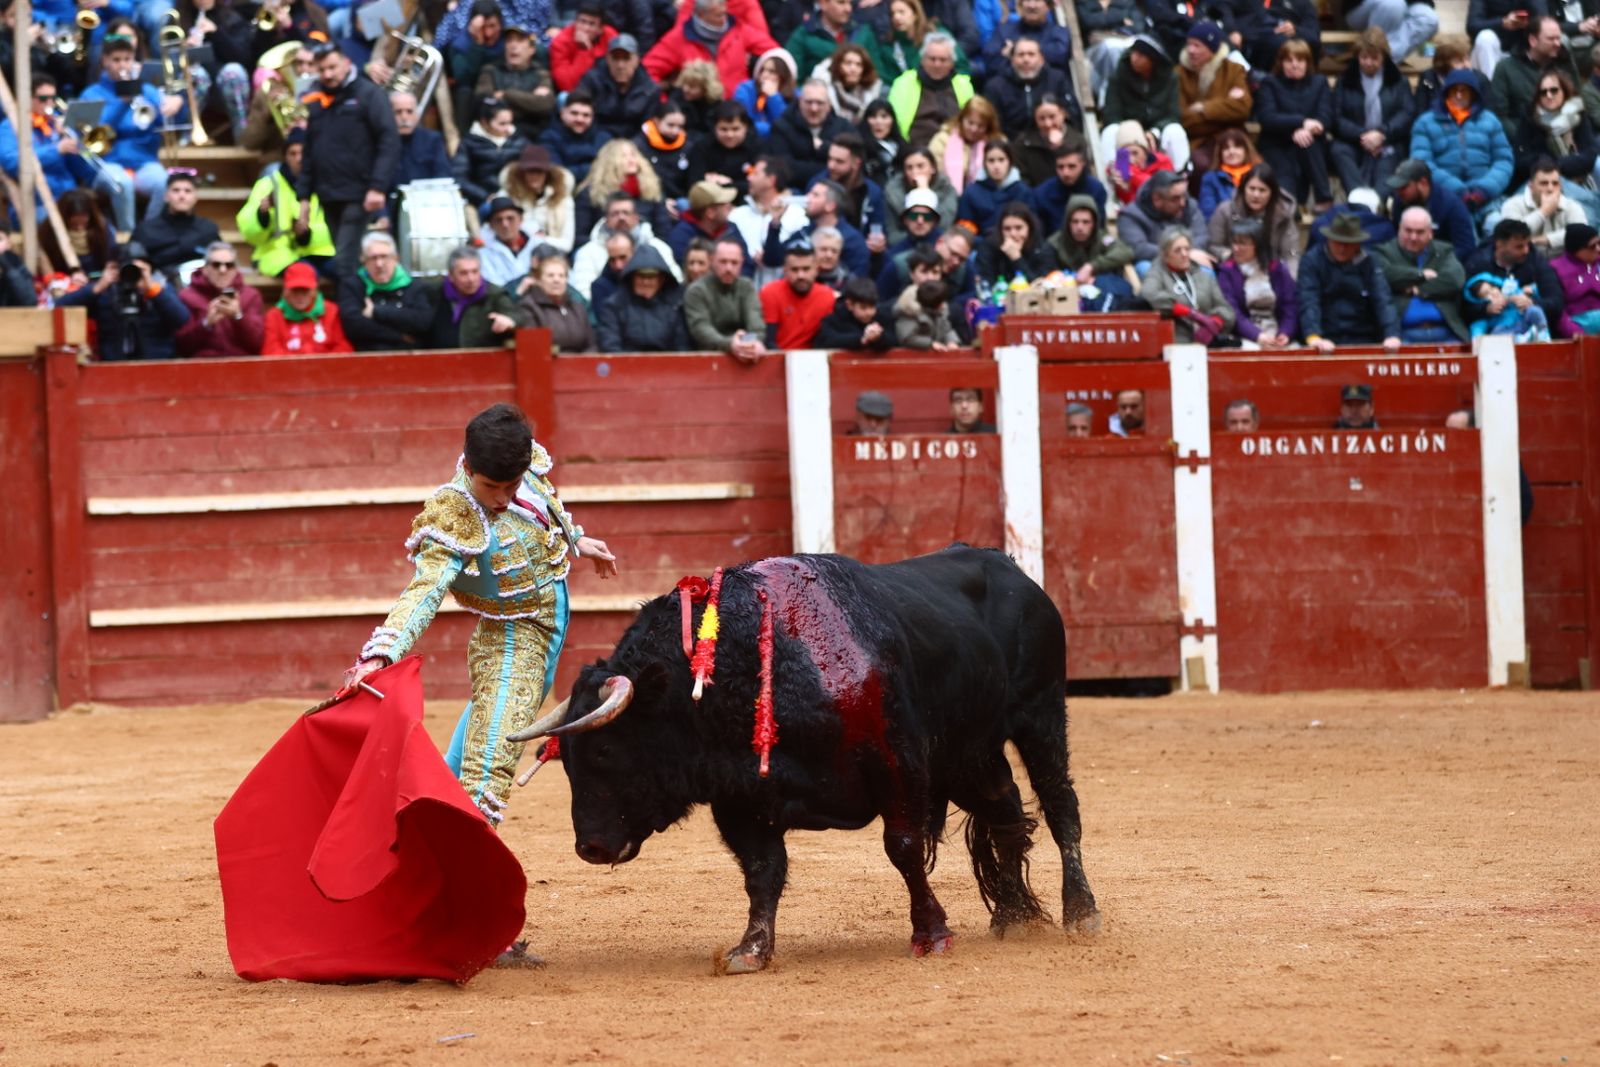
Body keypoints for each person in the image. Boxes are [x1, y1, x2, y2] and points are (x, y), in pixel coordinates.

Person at [345, 403, 616, 833]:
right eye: (493, 486)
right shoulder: (455, 512)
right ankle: (452, 866)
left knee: (475, 742)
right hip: (511, 643)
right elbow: (426, 589)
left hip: (546, 634)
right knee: (488, 768)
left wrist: (578, 539)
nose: (504, 497)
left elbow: (541, 507)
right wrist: (382, 654)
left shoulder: (516, 467)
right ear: (469, 466)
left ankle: (420, 820)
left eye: (512, 484)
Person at [298, 43, 401, 278]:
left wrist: (377, 187)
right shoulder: (316, 98)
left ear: (346, 64)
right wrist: (304, 196)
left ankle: (352, 313)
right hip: (328, 193)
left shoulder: (369, 94)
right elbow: (310, 150)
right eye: (322, 69)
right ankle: (362, 306)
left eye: (332, 67)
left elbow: (389, 141)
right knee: (348, 261)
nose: (328, 74)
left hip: (360, 193)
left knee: (344, 262)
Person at [81, 36, 187, 232]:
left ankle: (148, 232)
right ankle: (127, 236)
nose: (123, 65)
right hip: (108, 164)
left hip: (143, 162)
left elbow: (167, 122)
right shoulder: (91, 93)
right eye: (117, 60)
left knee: (164, 183)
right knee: (122, 184)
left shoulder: (146, 90)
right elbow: (96, 135)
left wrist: (178, 105)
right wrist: (123, 102)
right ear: (105, 61)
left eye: (127, 59)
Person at [55, 241, 190, 361]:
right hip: (113, 366)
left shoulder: (159, 288)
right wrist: (97, 287)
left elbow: (181, 319)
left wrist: (152, 289)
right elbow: (61, 307)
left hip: (157, 364)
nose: (131, 274)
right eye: (126, 268)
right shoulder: (106, 292)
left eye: (138, 269)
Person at [1330, 27, 1417, 200]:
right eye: (1364, 57)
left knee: (1387, 166)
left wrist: (1382, 134)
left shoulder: (1398, 81)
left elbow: (1407, 113)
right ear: (1357, 57)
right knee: (1338, 150)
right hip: (1355, 141)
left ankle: (1377, 200)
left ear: (1383, 57)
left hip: (1388, 140)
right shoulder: (1345, 80)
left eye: (1374, 58)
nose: (1368, 62)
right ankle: (1358, 196)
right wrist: (1362, 136)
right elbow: (1336, 117)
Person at [1410, 70, 1515, 212]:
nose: (1458, 95)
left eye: (1464, 91)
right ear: (1446, 92)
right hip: (1444, 200)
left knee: (1496, 226)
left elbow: (1504, 160)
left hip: (1487, 198)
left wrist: (1483, 190)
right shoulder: (1425, 122)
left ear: (1473, 94)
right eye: (1454, 90)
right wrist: (1457, 191)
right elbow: (1422, 164)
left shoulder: (1490, 121)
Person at [237, 129, 336, 279]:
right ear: (285, 157)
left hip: (315, 251)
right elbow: (247, 230)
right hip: (276, 254)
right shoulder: (268, 184)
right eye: (293, 153)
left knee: (348, 272)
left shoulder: (325, 185)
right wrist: (262, 216)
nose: (299, 158)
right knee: (304, 273)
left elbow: (334, 227)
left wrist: (306, 235)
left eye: (303, 153)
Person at [1297, 213, 1402, 351]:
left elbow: (1382, 299)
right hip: (1325, 336)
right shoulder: (1311, 261)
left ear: (1357, 243)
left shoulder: (1369, 261)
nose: (1341, 249)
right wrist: (1313, 336)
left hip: (1364, 336)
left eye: (1347, 244)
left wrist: (1392, 334)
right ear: (1328, 239)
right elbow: (1309, 299)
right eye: (1337, 242)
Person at [1252, 38, 1333, 212]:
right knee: (1286, 172)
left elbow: (1326, 117)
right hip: (1276, 143)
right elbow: (1267, 117)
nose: (1294, 65)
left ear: (1308, 62)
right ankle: (1290, 206)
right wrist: (1301, 123)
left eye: (1300, 60)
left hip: (1310, 144)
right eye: (1289, 60)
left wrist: (1308, 129)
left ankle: (1324, 198)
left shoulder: (1319, 83)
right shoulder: (1270, 83)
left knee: (1310, 143)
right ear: (1281, 63)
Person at [0, 75, 95, 219]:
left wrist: (73, 138)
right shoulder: (9, 126)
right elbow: (11, 163)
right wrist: (56, 149)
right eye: (43, 99)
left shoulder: (55, 123)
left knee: (104, 228)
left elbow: (84, 171)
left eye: (53, 98)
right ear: (27, 98)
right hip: (34, 203)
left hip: (67, 198)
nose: (50, 103)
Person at [1373, 206, 1471, 343]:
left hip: (1447, 332)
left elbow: (1455, 279)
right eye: (1408, 231)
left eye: (1420, 232)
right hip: (1402, 334)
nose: (1413, 237)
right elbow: (1385, 275)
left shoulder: (1443, 251)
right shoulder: (1384, 252)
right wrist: (1421, 275)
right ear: (1399, 228)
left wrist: (1418, 289)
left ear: (1430, 232)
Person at [1513, 71, 1600, 224]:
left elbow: (1590, 154)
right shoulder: (1530, 118)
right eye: (1543, 92)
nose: (1549, 95)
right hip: (1542, 182)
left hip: (1577, 177)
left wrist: (1558, 165)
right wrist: (1545, 164)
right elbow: (1521, 158)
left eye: (1554, 90)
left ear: (1564, 91)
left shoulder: (1578, 115)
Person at [1099, 35, 1190, 176]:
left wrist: (1155, 132)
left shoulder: (1170, 78)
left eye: (1141, 55)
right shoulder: (1119, 76)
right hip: (1128, 132)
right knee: (1110, 132)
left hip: (1157, 133)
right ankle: (1118, 180)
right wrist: (1135, 134)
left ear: (1153, 60)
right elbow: (1111, 114)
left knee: (1175, 131)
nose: (1134, 58)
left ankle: (1178, 178)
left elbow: (1173, 114)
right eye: (1133, 53)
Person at [1462, 216, 1567, 332]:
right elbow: (1462, 308)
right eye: (1519, 247)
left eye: (1527, 244)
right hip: (1493, 332)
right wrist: (1486, 309)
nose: (1526, 250)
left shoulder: (1536, 261)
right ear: (1499, 244)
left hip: (1531, 330)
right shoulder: (1477, 264)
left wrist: (1533, 303)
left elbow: (1556, 301)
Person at [644, 0, 772, 95]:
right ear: (701, 15)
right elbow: (646, 73)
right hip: (696, 115)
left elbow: (775, 54)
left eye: (725, 13)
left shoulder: (740, 30)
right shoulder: (678, 39)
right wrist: (665, 103)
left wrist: (761, 78)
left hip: (739, 111)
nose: (724, 19)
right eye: (718, 15)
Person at [338, 231, 437, 351]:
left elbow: (422, 322)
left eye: (384, 256)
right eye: (373, 258)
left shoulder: (414, 286)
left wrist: (376, 311)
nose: (379, 264)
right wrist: (398, 336)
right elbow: (353, 326)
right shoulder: (352, 286)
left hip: (408, 357)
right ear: (363, 261)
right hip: (368, 358)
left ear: (396, 258)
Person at [1176, 21, 1251, 178]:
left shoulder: (1233, 70)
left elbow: (1243, 108)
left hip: (1231, 138)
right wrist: (1225, 110)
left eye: (1197, 46)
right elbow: (1182, 118)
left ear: (1212, 49)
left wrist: (1204, 108)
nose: (1191, 50)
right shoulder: (1179, 74)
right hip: (1197, 141)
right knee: (1200, 165)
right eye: (1188, 45)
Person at [1490, 15, 1579, 148]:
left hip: (1566, 141)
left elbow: (1577, 102)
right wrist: (1525, 139)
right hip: (1525, 145)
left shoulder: (1564, 63)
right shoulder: (1505, 68)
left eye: (1558, 38)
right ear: (1533, 40)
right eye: (1551, 39)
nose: (1557, 43)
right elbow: (1499, 116)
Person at [1207, 162, 1303, 277]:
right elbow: (1213, 246)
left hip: (1271, 274)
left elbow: (1291, 255)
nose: (1256, 195)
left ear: (1272, 193)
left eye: (1262, 190)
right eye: (1252, 188)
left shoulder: (1283, 216)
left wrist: (1289, 280)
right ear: (1243, 189)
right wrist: (1232, 256)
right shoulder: (1225, 211)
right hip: (1233, 272)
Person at [1143, 228, 1237, 344]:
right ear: (1165, 255)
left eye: (1187, 249)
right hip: (1174, 341)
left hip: (1207, 342)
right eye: (1177, 250)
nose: (1184, 254)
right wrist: (1189, 312)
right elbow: (1150, 295)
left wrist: (1215, 323)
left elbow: (1227, 310)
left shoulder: (1204, 276)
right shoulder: (1157, 273)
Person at [426, 245, 531, 348]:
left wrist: (510, 320)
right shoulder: (435, 293)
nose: (471, 279)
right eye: (463, 273)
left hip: (483, 361)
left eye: (475, 272)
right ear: (451, 276)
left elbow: (518, 315)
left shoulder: (494, 294)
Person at [176, 242, 267, 358]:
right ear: (205, 269)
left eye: (229, 265)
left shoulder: (251, 296)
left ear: (236, 269)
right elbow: (181, 346)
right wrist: (206, 324)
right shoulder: (187, 296)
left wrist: (238, 317)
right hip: (203, 368)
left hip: (242, 367)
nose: (223, 270)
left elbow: (258, 343)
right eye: (216, 265)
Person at [764, 178, 872, 277]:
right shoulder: (805, 232)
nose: (808, 198)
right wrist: (775, 222)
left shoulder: (852, 240)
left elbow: (858, 277)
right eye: (810, 193)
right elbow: (773, 259)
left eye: (815, 195)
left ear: (830, 206)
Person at [729, 155, 810, 285]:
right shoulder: (737, 214)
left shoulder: (797, 216)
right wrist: (749, 259)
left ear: (771, 180)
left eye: (755, 173)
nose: (749, 178)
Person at [683, 235, 767, 359]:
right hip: (707, 357)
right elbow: (701, 328)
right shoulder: (696, 291)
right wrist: (730, 344)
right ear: (712, 261)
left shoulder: (746, 286)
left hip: (745, 352)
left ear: (742, 263)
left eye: (734, 263)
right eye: (723, 262)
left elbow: (756, 324)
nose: (729, 268)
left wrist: (746, 343)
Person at [133, 172, 222, 288]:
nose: (182, 195)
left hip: (200, 288)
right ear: (166, 196)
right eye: (176, 190)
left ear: (196, 197)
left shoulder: (208, 229)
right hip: (157, 291)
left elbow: (222, 261)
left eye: (187, 191)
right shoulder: (145, 230)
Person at [1216, 219, 1297, 346]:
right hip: (1244, 337)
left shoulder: (1277, 269)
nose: (1236, 248)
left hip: (1278, 335)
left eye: (1242, 243)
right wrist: (1257, 335)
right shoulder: (1227, 272)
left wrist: (1285, 333)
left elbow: (1290, 306)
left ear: (1258, 245)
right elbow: (1232, 311)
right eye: (1234, 242)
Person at [596, 244, 691, 351]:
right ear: (631, 278)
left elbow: (682, 346)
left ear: (661, 279)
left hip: (668, 366)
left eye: (651, 277)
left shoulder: (675, 306)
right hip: (625, 365)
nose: (645, 282)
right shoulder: (613, 307)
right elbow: (610, 345)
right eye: (641, 276)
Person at [888, 32, 974, 145]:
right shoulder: (903, 83)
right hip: (915, 149)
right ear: (922, 60)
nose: (937, 64)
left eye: (943, 60)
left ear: (952, 63)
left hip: (956, 150)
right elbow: (894, 124)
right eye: (932, 59)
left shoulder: (963, 85)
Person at [475, 22, 557, 140]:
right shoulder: (491, 70)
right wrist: (528, 103)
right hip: (495, 134)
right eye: (509, 41)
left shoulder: (541, 73)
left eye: (520, 40)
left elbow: (545, 105)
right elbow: (484, 102)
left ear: (532, 49)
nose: (513, 45)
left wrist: (506, 95)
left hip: (532, 135)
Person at [1118, 169, 1209, 275]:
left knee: (1206, 270)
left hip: (1189, 259)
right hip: (1156, 262)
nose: (1183, 203)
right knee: (1144, 267)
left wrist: (1185, 253)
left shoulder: (1189, 206)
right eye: (1175, 199)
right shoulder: (1132, 215)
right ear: (1157, 199)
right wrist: (1179, 253)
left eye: (1184, 195)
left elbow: (1201, 235)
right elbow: (1137, 248)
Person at [984, 35, 1076, 140]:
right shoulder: (995, 86)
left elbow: (1072, 115)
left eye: (1031, 54)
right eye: (1020, 55)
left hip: (1052, 141)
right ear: (1012, 60)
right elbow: (992, 124)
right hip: (1012, 145)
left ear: (1041, 59)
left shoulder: (1057, 79)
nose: (1026, 59)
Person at [1047, 195, 1135, 300]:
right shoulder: (1055, 243)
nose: (1080, 227)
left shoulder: (1102, 238)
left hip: (1099, 293)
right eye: (1075, 221)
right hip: (1063, 295)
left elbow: (1125, 252)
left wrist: (1091, 266)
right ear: (1068, 223)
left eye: (1086, 222)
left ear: (1093, 224)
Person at [811, 132, 890, 245]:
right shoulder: (817, 185)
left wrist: (879, 242)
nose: (831, 166)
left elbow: (879, 228)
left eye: (839, 161)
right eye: (830, 159)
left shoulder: (872, 193)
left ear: (856, 163)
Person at [1387, 159, 1477, 258]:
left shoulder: (1452, 206)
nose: (1398, 192)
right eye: (1397, 187)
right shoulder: (1400, 200)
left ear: (1423, 183)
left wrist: (1437, 264)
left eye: (1404, 187)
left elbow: (1465, 248)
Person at [456, 99, 535, 212]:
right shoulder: (469, 143)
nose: (508, 128)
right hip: (486, 201)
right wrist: (484, 196)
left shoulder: (520, 140)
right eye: (502, 124)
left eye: (510, 122)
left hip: (519, 196)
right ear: (484, 122)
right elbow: (460, 177)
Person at [497, 144, 577, 254]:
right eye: (529, 171)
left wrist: (540, 239)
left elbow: (567, 244)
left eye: (539, 171)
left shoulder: (563, 200)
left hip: (551, 257)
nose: (534, 176)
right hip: (511, 253)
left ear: (547, 173)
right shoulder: (507, 196)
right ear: (522, 172)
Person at [263, 260, 354, 356]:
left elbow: (343, 347)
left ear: (314, 291)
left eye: (305, 291)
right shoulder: (274, 316)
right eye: (295, 290)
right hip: (289, 370)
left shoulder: (331, 311)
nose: (300, 296)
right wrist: (303, 361)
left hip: (325, 369)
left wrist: (319, 363)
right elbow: (271, 352)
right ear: (285, 291)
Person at [579, 33, 660, 138]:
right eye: (615, 58)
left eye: (626, 59)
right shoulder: (591, 80)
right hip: (596, 139)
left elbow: (648, 128)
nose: (620, 65)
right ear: (607, 59)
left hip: (634, 145)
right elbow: (581, 113)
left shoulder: (650, 89)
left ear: (636, 60)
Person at [1501, 156, 1589, 253]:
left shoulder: (1572, 206)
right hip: (1525, 263)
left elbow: (1581, 235)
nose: (1550, 189)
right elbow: (1513, 234)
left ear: (1560, 186)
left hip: (1562, 264)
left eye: (1555, 183)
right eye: (1544, 183)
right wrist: (1543, 212)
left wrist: (1542, 240)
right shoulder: (1513, 204)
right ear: (1531, 186)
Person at [771, 78, 853, 176]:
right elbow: (783, 167)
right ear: (800, 102)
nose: (814, 108)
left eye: (820, 103)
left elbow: (852, 163)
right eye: (809, 102)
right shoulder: (782, 126)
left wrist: (825, 148)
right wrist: (830, 168)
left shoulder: (843, 127)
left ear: (829, 105)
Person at [518, 251, 597, 352]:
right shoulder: (528, 307)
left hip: (581, 364)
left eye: (561, 276)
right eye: (550, 275)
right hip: (547, 365)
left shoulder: (577, 307)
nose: (557, 280)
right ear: (538, 280)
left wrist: (582, 364)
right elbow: (534, 349)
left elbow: (591, 344)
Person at [761, 243, 837, 348]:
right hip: (779, 357)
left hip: (814, 358)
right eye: (794, 269)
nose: (800, 275)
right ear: (785, 270)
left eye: (806, 269)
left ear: (816, 269)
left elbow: (828, 338)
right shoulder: (770, 292)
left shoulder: (827, 296)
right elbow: (769, 341)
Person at [1029, 137, 1110, 234]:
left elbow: (1100, 229)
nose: (1065, 173)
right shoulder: (1042, 194)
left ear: (1082, 164)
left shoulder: (1096, 190)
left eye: (1071, 166)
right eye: (1060, 167)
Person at [884, 147, 960, 242]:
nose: (915, 172)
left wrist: (924, 192)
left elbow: (943, 224)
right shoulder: (893, 191)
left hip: (938, 243)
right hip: (904, 244)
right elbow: (892, 232)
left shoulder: (946, 188)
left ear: (932, 168)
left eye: (920, 166)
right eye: (909, 168)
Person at [686, 100, 761, 196]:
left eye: (735, 129)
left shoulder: (756, 147)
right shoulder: (702, 147)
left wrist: (727, 184)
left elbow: (759, 185)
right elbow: (694, 184)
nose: (730, 135)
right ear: (715, 128)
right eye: (723, 129)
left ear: (745, 127)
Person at [973, 202, 1056, 288]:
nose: (1013, 234)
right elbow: (986, 283)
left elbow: (1040, 286)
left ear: (1029, 228)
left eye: (1018, 228)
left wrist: (1017, 259)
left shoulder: (1042, 249)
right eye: (1007, 229)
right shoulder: (989, 246)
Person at [956, 141, 1030, 235]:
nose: (996, 166)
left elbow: (1031, 226)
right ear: (984, 163)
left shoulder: (1023, 191)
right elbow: (965, 228)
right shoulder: (971, 192)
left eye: (1001, 160)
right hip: (980, 245)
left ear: (1010, 162)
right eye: (991, 160)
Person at [633, 98, 694, 201]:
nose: (675, 131)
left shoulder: (688, 147)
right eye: (670, 125)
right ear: (657, 121)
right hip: (650, 200)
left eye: (680, 127)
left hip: (681, 201)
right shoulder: (638, 146)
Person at [550, 0, 617, 91]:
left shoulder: (610, 36)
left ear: (600, 29)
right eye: (582, 22)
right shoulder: (560, 42)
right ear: (575, 22)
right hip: (576, 94)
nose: (585, 28)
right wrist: (584, 51)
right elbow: (567, 86)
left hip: (606, 90)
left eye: (591, 24)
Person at [1104, 121, 1175, 206]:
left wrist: (1133, 175)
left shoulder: (1163, 162)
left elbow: (1160, 192)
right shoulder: (1117, 170)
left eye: (1135, 153)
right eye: (1126, 155)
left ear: (1145, 151)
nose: (1131, 159)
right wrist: (1125, 189)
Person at [733, 48, 798, 139]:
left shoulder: (796, 95)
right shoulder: (746, 89)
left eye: (772, 71)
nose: (764, 75)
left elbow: (788, 126)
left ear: (784, 76)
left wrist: (774, 97)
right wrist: (771, 129)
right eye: (762, 70)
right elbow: (744, 124)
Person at [814, 275, 894, 349]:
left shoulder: (883, 317)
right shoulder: (834, 321)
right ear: (849, 305)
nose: (869, 312)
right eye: (863, 308)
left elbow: (894, 339)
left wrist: (879, 337)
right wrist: (861, 339)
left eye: (872, 307)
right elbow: (826, 341)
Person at [1197, 128, 1261, 220]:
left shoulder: (1260, 174)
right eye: (1226, 148)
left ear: (1246, 150)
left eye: (1237, 147)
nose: (1231, 152)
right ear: (1220, 153)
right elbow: (1208, 213)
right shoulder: (1210, 178)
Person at [788, 0, 861, 80]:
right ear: (823, 4)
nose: (848, 9)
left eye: (850, 3)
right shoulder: (803, 35)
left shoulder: (861, 33)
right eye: (841, 2)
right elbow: (792, 79)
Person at [1345, 0, 1439, 61]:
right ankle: (1376, 62)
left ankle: (1386, 60)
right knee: (1394, 4)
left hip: (1409, 3)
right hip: (1361, 7)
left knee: (1429, 18)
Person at [816, 43, 884, 126]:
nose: (853, 69)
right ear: (838, 66)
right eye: (848, 63)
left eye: (858, 64)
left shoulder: (870, 95)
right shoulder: (827, 91)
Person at [1550, 222, 1600, 333]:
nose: (1598, 249)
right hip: (1577, 324)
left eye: (1599, 243)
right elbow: (1557, 310)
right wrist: (1575, 332)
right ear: (1577, 249)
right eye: (1592, 246)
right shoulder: (1555, 268)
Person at [478, 197, 540, 286]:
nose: (505, 224)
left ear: (521, 219)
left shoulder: (540, 245)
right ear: (491, 225)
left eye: (510, 218)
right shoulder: (483, 256)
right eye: (498, 220)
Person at [894, 278, 959, 349]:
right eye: (941, 303)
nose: (944, 305)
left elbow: (947, 329)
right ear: (933, 305)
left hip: (938, 350)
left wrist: (951, 341)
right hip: (914, 354)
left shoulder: (941, 310)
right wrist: (930, 343)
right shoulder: (909, 312)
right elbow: (907, 338)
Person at [859, 99, 907, 187]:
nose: (878, 122)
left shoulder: (903, 147)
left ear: (892, 120)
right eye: (873, 117)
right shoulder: (859, 147)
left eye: (884, 116)